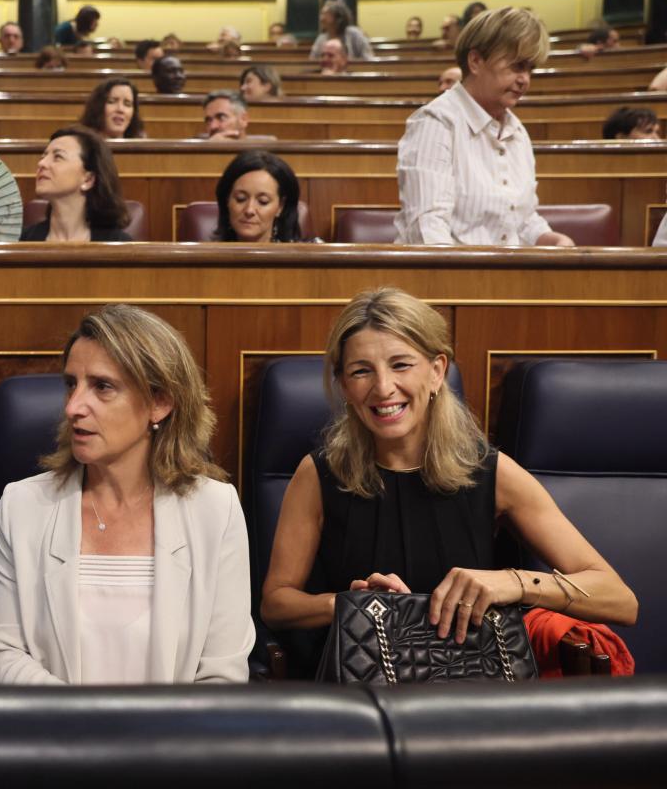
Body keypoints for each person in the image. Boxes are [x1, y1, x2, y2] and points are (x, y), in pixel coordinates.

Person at [259, 287, 637, 678]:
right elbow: (276, 604)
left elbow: (620, 599)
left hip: (467, 688)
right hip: (359, 689)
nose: (383, 387)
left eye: (401, 365)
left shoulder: (492, 472)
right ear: (343, 385)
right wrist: (353, 605)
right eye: (361, 371)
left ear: (437, 371)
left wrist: (513, 583)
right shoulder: (317, 473)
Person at [0, 304, 255, 684]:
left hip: (179, 724)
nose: (73, 407)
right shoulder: (22, 507)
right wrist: (82, 715)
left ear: (160, 402)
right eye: (71, 384)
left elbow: (222, 674)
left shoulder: (216, 509)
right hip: (53, 721)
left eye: (102, 386)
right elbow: (5, 655)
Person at [395, 7, 575, 246]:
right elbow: (427, 231)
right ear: (476, 61)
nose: (525, 80)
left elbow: (521, 219)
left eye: (530, 69)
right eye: (517, 66)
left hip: (507, 268)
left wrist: (550, 238)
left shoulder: (517, 131)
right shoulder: (436, 123)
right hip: (451, 268)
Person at [0, 127, 131, 243]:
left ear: (88, 179)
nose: (42, 164)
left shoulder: (119, 245)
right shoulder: (20, 241)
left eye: (57, 157)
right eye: (43, 155)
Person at [214, 150, 305, 243]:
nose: (249, 210)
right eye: (240, 199)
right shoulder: (208, 251)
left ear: (280, 206)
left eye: (263, 201)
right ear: (227, 200)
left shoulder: (303, 251)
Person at [79, 78, 145, 140]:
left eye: (127, 104)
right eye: (112, 101)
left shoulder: (141, 144)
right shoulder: (81, 144)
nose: (120, 109)